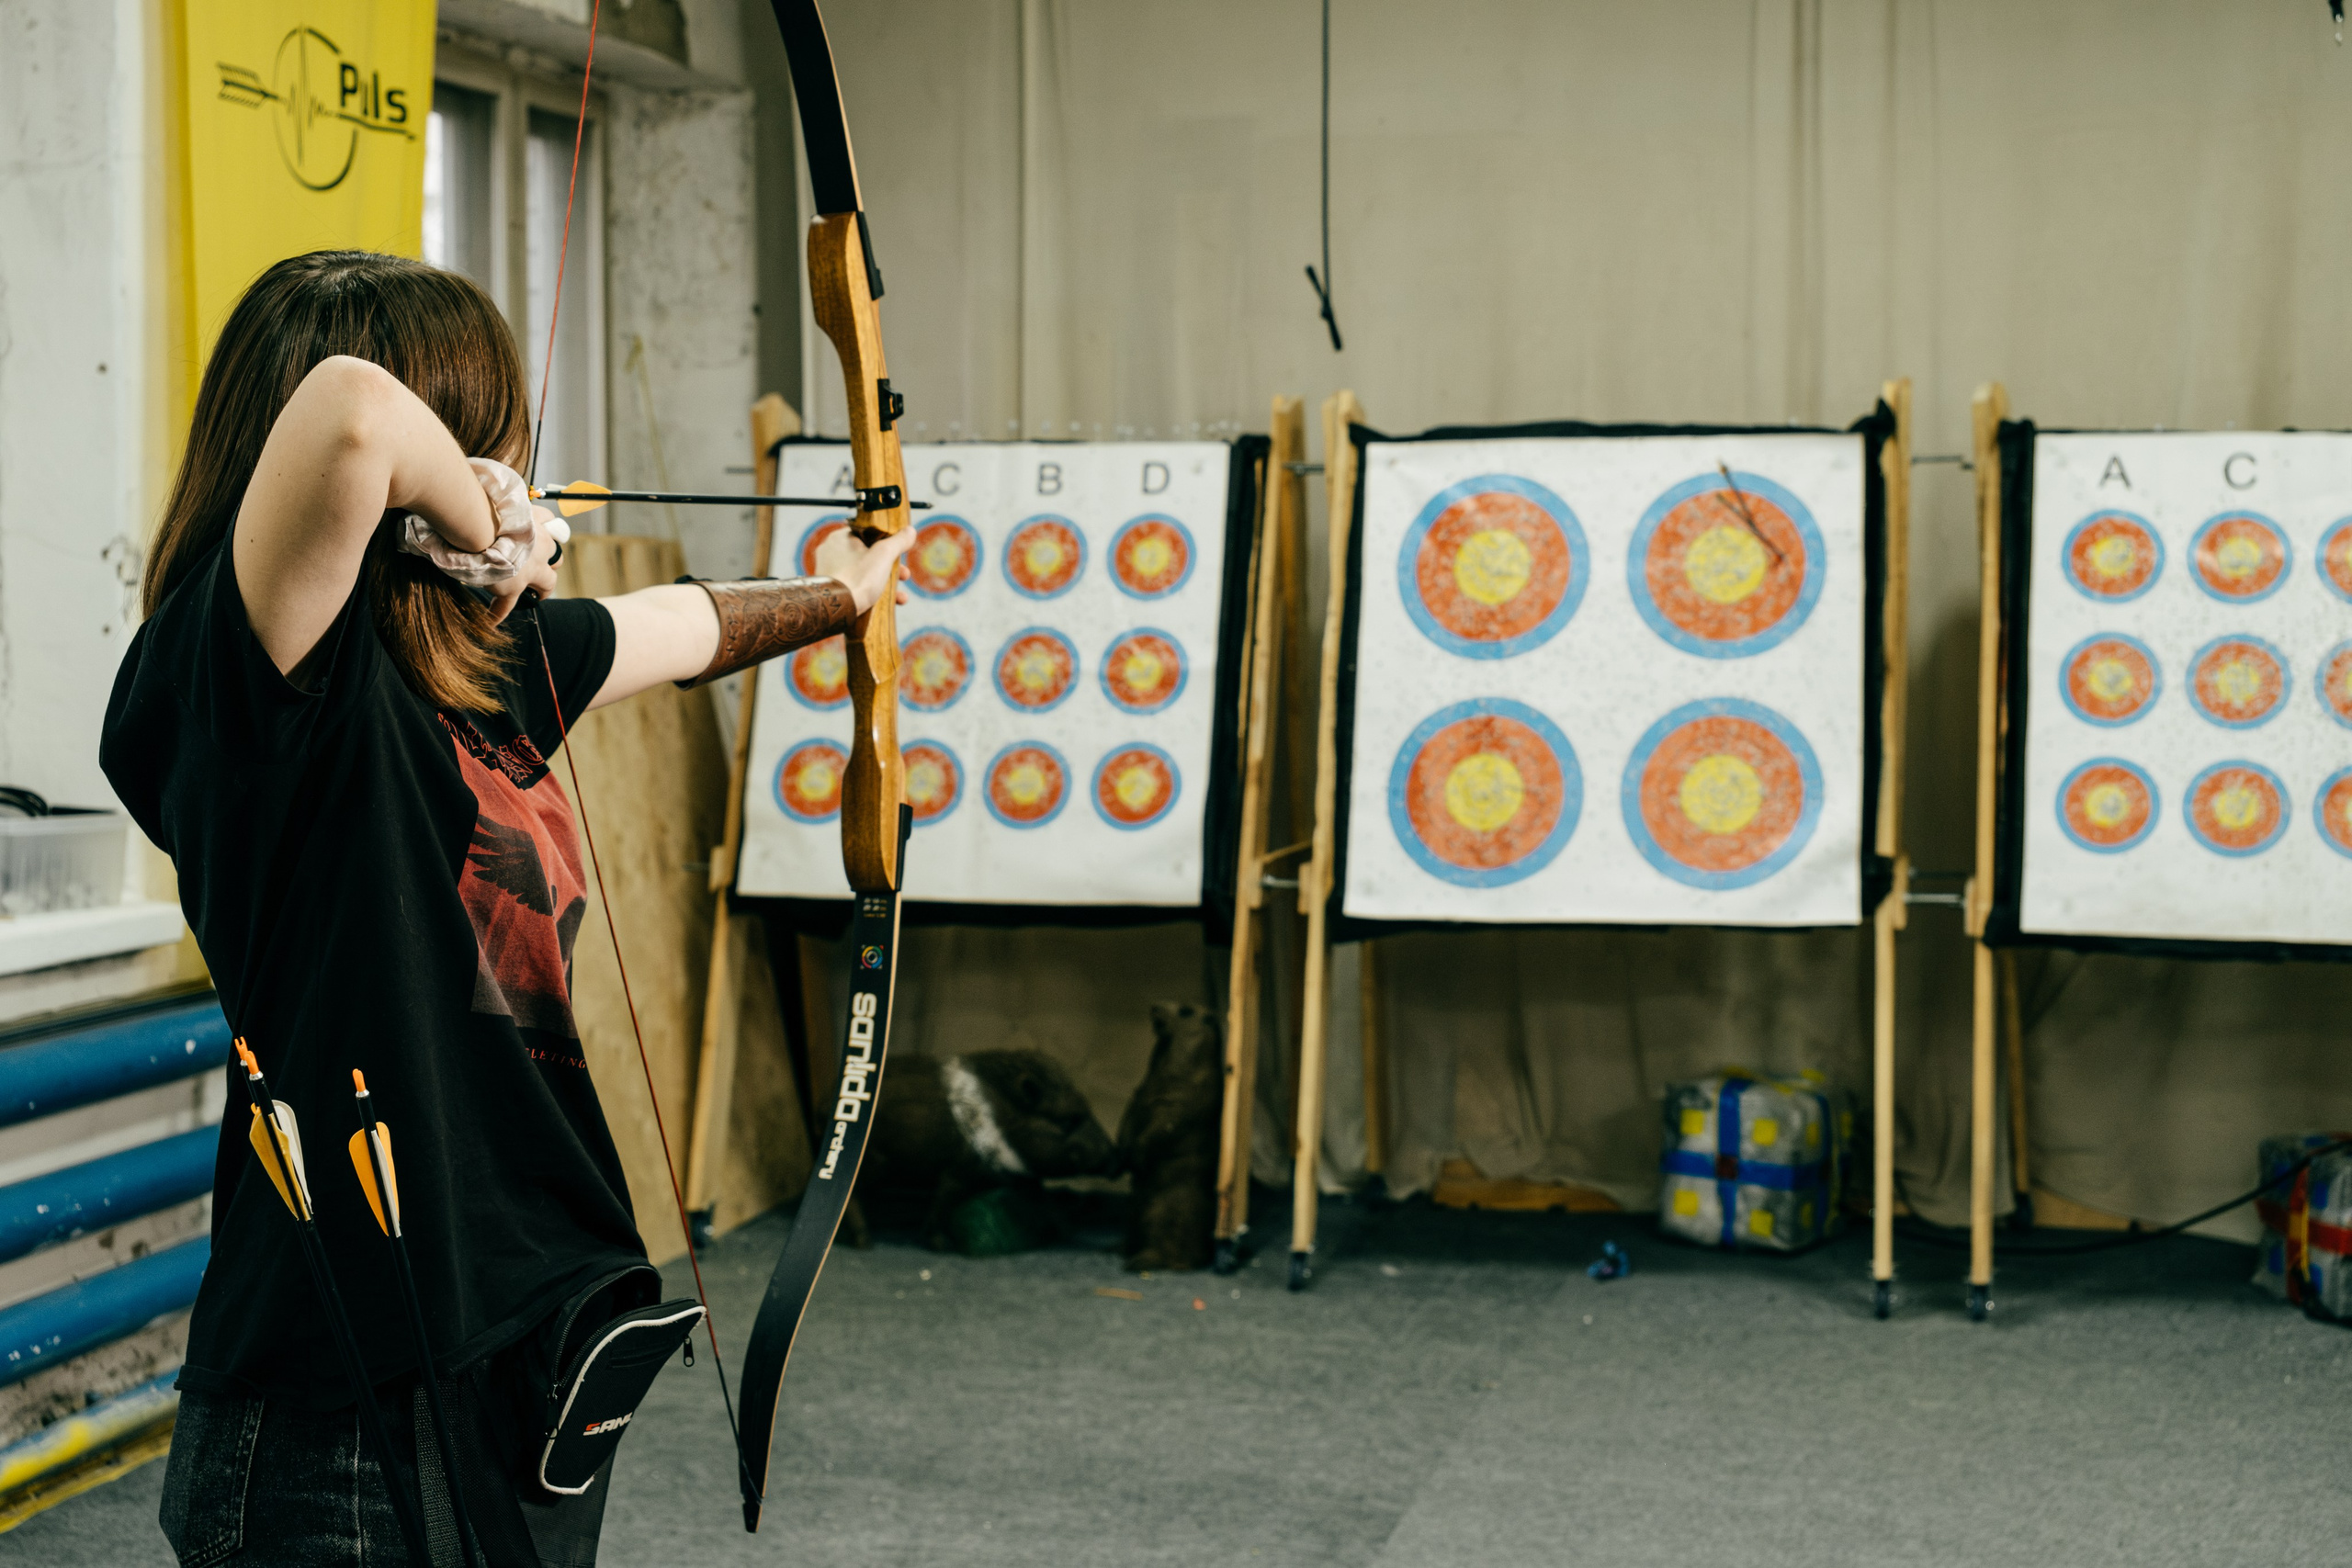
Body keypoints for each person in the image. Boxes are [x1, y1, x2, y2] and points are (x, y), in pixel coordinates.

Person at [100, 250, 913, 1566]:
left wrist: (846, 595)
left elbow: (679, 625)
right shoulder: (251, 685)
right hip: (338, 1412)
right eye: (490, 441)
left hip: (518, 1364)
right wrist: (484, 515)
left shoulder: (482, 673)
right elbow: (354, 413)